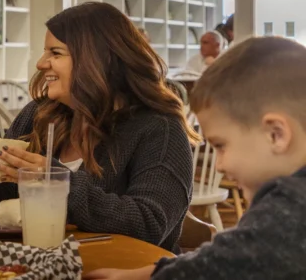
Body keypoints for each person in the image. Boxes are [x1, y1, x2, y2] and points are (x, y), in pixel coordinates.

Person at [0, 2, 198, 253]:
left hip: (126, 267)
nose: (41, 63)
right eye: (45, 52)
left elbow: (150, 223)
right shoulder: (38, 114)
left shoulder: (159, 128)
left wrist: (61, 185)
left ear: (96, 59)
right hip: (41, 263)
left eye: (55, 53)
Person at [85, 37, 306, 280]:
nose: (220, 165)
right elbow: (224, 258)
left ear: (276, 134)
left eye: (221, 146)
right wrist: (143, 274)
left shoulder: (292, 207)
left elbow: (220, 267)